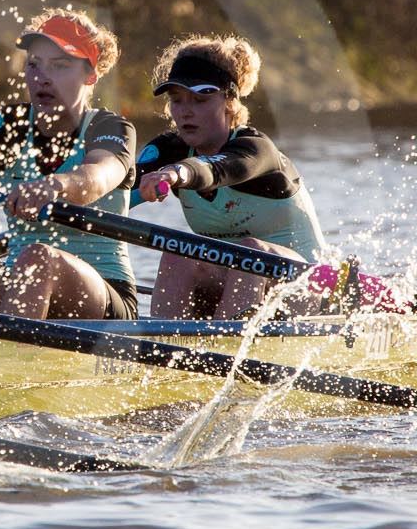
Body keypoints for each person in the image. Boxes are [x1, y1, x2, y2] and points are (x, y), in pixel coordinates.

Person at [0, 10, 139, 319]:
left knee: (37, 258)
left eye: (59, 66)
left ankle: (7, 357)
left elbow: (96, 177)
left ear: (90, 75)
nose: (41, 77)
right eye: (34, 65)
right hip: (19, 290)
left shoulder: (111, 129)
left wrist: (54, 185)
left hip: (104, 297)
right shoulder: (9, 126)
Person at [133, 35, 330, 318]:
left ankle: (228, 355)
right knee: (177, 251)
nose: (185, 111)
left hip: (303, 290)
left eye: (200, 99)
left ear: (229, 102)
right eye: (177, 100)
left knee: (249, 252)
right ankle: (161, 350)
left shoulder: (256, 150)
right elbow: (118, 194)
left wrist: (177, 173)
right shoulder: (167, 149)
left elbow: (215, 169)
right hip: (233, 287)